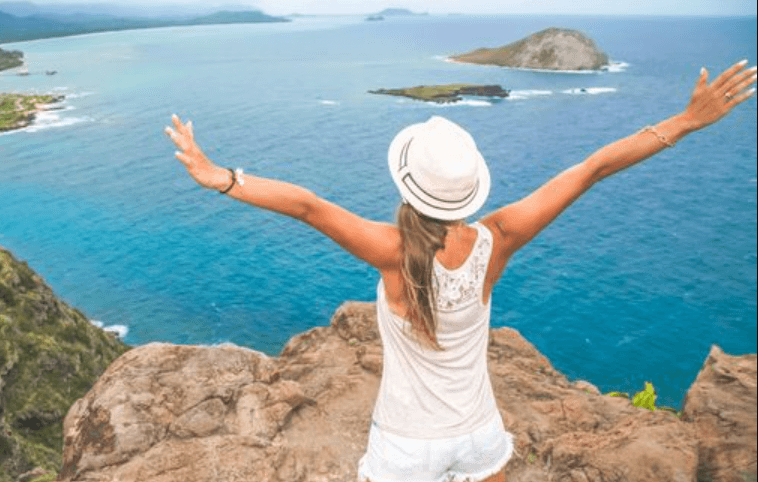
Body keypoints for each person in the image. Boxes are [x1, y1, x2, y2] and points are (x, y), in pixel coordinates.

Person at [165, 60, 756, 482]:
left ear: (408, 185)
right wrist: (684, 121)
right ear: (468, 190)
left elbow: (308, 205)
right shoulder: (497, 239)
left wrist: (223, 177)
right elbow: (593, 167)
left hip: (405, 449)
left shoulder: (391, 250)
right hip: (480, 437)